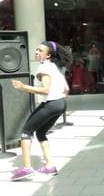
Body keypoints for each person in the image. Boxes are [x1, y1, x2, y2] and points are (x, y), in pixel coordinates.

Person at [10, 41, 72, 181]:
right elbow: (66, 89)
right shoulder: (54, 67)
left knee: (26, 132)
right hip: (60, 103)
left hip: (51, 104)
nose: (37, 52)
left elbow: (45, 89)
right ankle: (50, 166)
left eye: (40, 50)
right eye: (36, 49)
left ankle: (27, 168)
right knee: (41, 132)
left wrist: (23, 87)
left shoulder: (43, 68)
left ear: (48, 55)